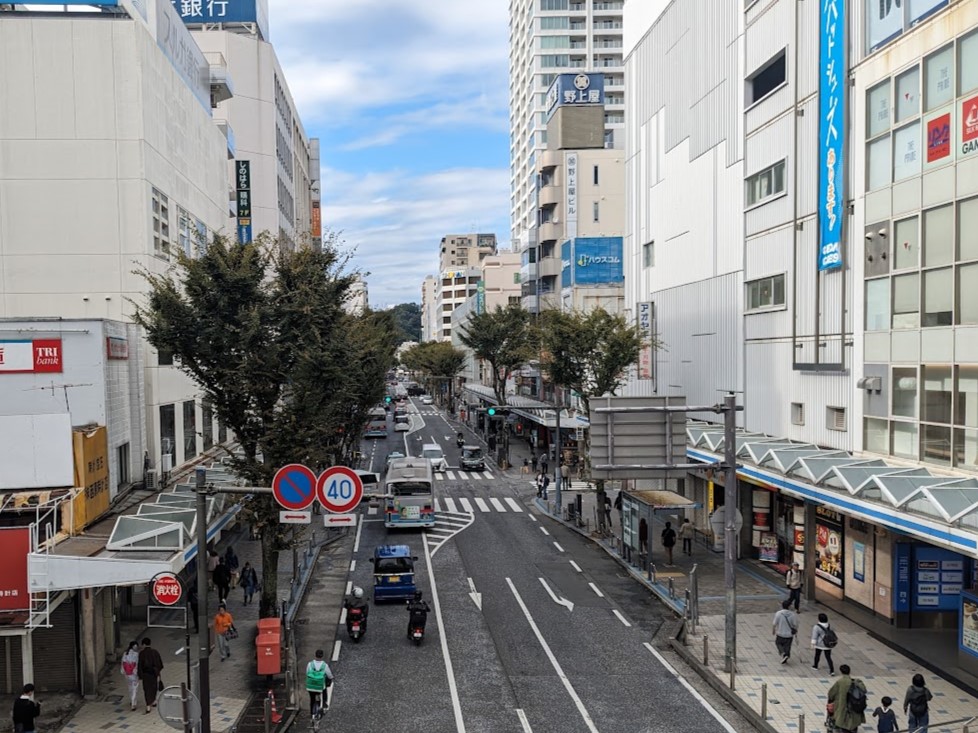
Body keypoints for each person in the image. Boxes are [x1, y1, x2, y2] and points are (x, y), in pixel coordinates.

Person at [826, 664, 867, 733]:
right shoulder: (856, 682)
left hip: (844, 708)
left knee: (844, 724)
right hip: (855, 707)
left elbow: (831, 693)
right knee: (853, 724)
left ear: (841, 672)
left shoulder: (840, 682)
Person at [137, 637, 164, 713]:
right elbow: (160, 664)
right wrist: (157, 671)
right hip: (154, 673)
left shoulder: (142, 654)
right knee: (154, 687)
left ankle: (148, 705)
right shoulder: (155, 652)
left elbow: (140, 665)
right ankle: (154, 701)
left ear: (144, 644)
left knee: (146, 689)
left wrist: (140, 675)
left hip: (146, 674)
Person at [305, 649, 334, 717]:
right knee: (324, 691)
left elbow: (307, 673)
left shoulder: (310, 664)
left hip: (311, 686)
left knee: (312, 699)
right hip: (320, 686)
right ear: (322, 656)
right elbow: (329, 675)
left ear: (315, 655)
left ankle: (312, 713)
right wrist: (331, 678)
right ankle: (324, 704)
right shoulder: (324, 665)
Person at [772, 599, 798, 664]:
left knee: (778, 643)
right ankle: (786, 655)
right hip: (789, 634)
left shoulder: (778, 613)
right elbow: (795, 625)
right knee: (787, 646)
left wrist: (773, 630)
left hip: (780, 633)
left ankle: (782, 653)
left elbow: (774, 623)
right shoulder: (792, 615)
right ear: (789, 606)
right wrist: (795, 631)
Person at [121, 640, 140, 710]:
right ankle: (133, 703)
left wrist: (123, 671)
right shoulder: (136, 654)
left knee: (130, 688)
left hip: (127, 674)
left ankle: (131, 699)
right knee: (135, 688)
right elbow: (137, 664)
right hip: (134, 674)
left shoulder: (125, 654)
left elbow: (123, 664)